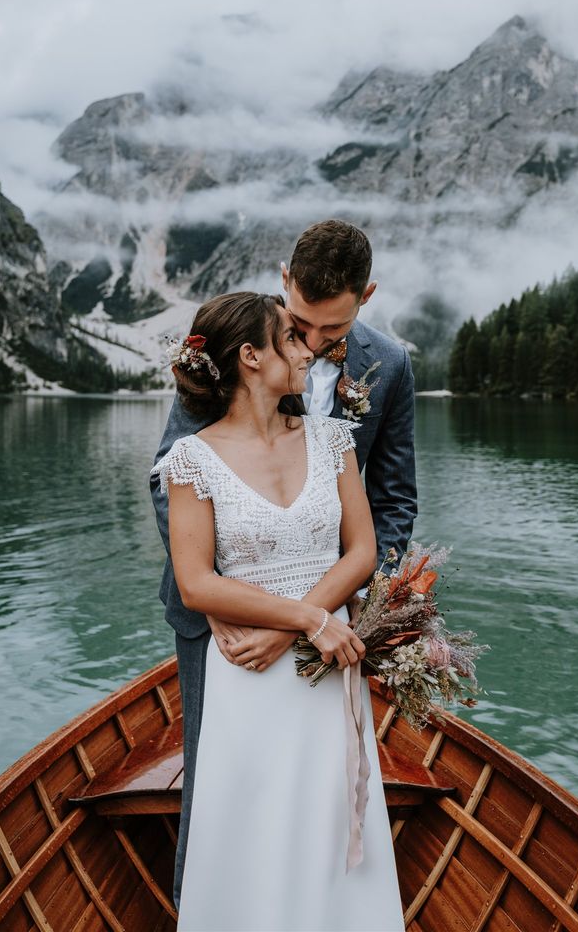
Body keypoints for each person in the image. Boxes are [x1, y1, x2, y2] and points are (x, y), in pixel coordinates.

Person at [150, 219, 417, 912]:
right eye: (295, 326)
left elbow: (389, 510)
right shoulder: (231, 348)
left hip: (331, 614)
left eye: (326, 331)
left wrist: (333, 609)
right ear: (282, 285)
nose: (308, 345)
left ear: (366, 298)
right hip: (224, 626)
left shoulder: (385, 366)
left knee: (326, 791)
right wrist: (229, 607)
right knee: (221, 788)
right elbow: (179, 492)